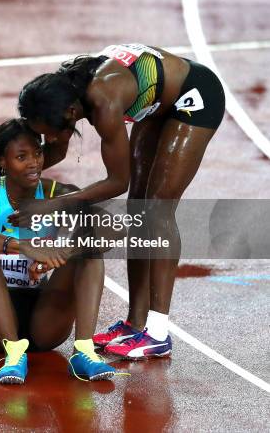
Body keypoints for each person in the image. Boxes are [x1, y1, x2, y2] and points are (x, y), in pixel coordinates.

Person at [13, 43, 225, 359]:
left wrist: (57, 203)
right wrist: (0, 175)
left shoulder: (103, 99)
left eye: (53, 131)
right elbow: (53, 150)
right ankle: (134, 323)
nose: (53, 138)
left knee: (156, 209)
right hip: (155, 104)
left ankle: (157, 331)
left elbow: (117, 182)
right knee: (140, 209)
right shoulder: (58, 95)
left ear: (71, 114)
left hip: (194, 96)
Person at [0, 119, 116, 383]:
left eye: (37, 153)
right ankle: (14, 354)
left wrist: (61, 252)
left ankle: (84, 350)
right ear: (2, 161)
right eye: (21, 157)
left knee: (89, 249)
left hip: (43, 321)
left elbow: (113, 228)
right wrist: (21, 246)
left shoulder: (54, 193)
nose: (33, 163)